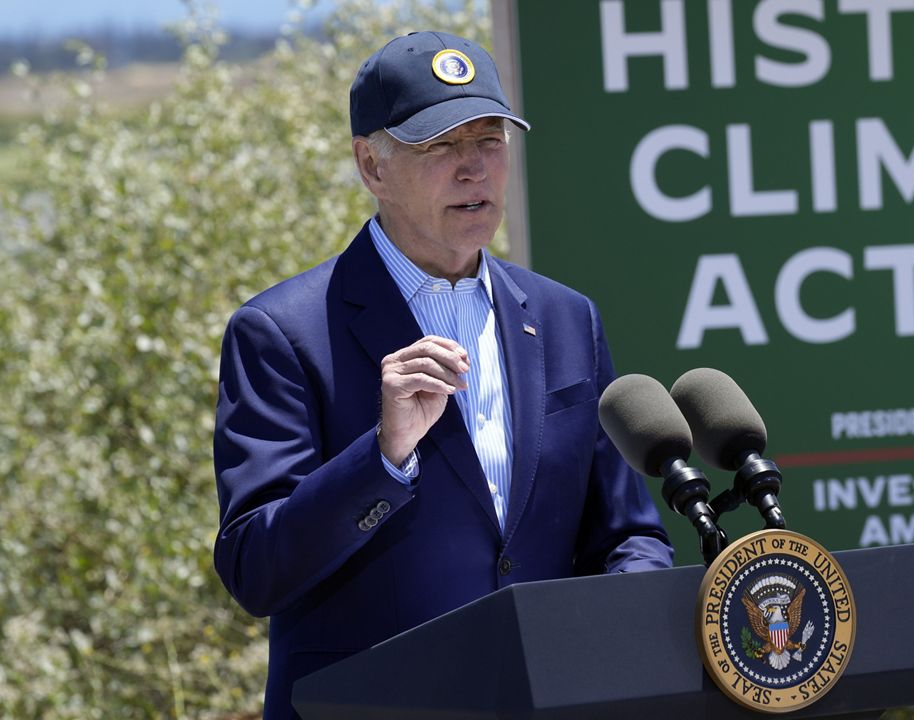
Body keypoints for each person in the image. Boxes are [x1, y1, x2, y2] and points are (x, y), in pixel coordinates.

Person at [212, 31, 673, 719]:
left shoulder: (566, 317)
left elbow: (626, 533)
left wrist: (622, 634)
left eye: (490, 140)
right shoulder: (281, 332)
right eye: (440, 146)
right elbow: (256, 570)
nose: (474, 169)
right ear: (371, 165)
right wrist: (384, 457)